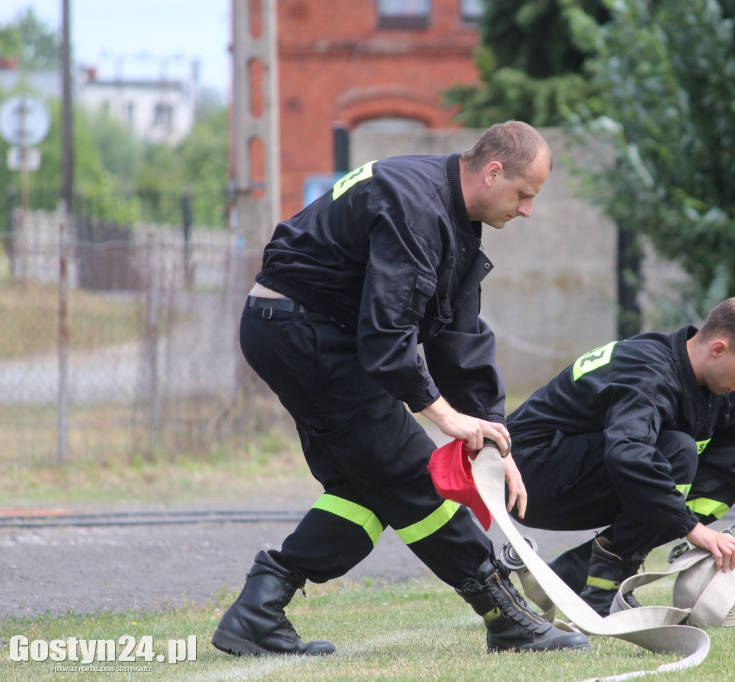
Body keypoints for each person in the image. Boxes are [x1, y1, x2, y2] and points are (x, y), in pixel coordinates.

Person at [212, 121, 590, 656]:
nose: (527, 209)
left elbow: (460, 338)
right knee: (413, 472)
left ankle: (260, 607)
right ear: (493, 171)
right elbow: (387, 334)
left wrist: (494, 439)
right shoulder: (417, 206)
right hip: (299, 327)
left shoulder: (454, 215)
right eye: (523, 195)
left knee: (365, 487)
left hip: (310, 331)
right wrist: (444, 417)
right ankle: (505, 615)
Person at [506, 295, 735, 616]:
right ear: (718, 349)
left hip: (571, 468)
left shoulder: (714, 387)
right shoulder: (650, 373)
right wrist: (692, 528)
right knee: (676, 451)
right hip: (530, 474)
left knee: (729, 464)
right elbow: (628, 456)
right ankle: (603, 590)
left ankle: (578, 571)